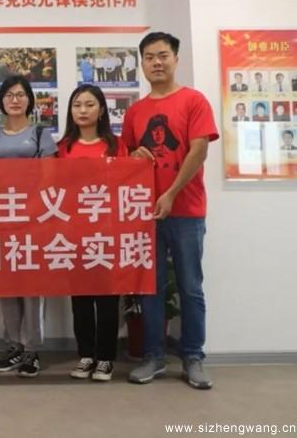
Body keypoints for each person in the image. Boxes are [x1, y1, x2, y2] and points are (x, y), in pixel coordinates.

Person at [122, 32, 219, 390]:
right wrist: (133, 156)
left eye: (163, 55)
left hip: (187, 210)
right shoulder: (135, 111)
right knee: (150, 288)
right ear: (142, 64)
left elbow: (199, 150)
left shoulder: (193, 101)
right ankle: (154, 356)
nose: (156, 62)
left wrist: (171, 193)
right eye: (149, 57)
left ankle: (193, 357)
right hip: (145, 214)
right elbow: (125, 155)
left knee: (191, 287)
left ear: (176, 59)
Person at [0, 75, 57, 378]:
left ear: (30, 100)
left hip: (33, 220)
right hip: (3, 220)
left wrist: (30, 210)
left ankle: (32, 349)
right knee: (7, 285)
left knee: (32, 286)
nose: (14, 100)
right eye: (9, 95)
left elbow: (49, 179)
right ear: (1, 101)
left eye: (20, 94)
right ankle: (14, 345)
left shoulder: (40, 134)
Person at [58, 84, 128, 382]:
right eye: (77, 105)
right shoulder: (63, 148)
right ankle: (86, 354)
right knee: (81, 299)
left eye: (89, 104)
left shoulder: (117, 146)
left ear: (101, 110)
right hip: (74, 233)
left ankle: (106, 358)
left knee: (108, 299)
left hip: (107, 232)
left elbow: (127, 185)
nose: (83, 110)